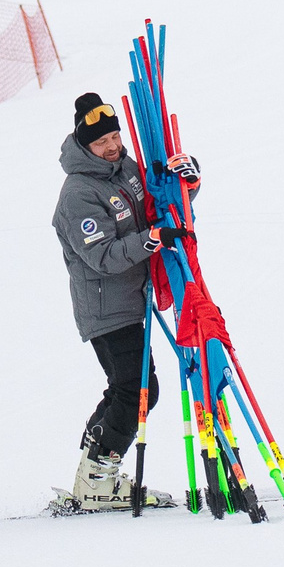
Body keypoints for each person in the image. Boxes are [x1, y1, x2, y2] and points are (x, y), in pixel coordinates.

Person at [55, 92, 198, 510]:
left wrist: (187, 186)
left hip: (131, 299)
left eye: (115, 136)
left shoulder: (125, 169)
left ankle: (93, 461)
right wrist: (149, 240)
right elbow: (101, 255)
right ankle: (99, 475)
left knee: (127, 388)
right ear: (85, 146)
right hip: (105, 305)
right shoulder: (78, 194)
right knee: (139, 390)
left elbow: (157, 210)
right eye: (101, 143)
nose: (113, 145)